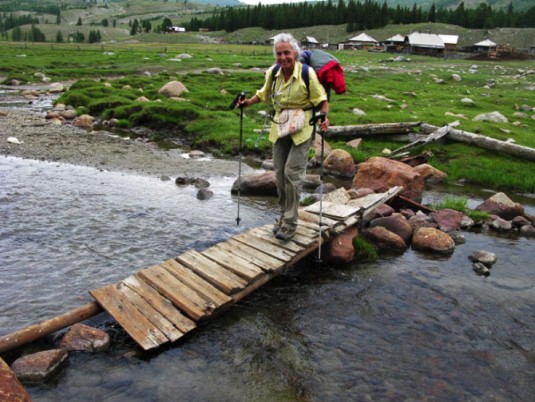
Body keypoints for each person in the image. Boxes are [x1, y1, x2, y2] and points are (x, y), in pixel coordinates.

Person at [239, 33, 330, 241]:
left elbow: (322, 100)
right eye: (279, 54)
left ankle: (290, 222)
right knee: (279, 175)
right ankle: (283, 216)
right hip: (281, 126)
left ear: (295, 53)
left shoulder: (307, 74)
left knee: (292, 173)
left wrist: (324, 117)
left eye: (287, 53)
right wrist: (247, 103)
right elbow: (263, 94)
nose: (283, 57)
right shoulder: (273, 72)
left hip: (303, 127)